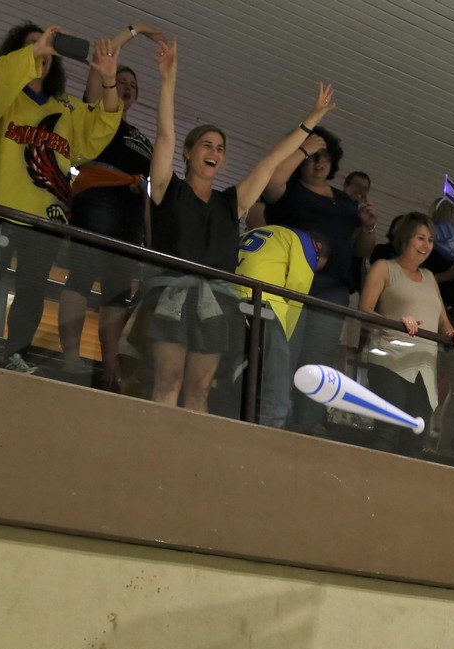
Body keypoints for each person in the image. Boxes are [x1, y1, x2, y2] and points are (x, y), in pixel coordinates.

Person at [144, 39, 333, 412]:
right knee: (168, 381)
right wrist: (168, 79)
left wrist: (311, 120)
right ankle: (156, 444)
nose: (214, 152)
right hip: (171, 294)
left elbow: (269, 162)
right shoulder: (168, 188)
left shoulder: (232, 202)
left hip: (215, 302)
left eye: (220, 148)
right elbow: (165, 136)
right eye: (206, 145)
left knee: (200, 389)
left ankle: (189, 447)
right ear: (188, 152)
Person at [0, 22, 124, 373]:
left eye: (46, 47)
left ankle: (16, 357)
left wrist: (109, 80)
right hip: (0, 209)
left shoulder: (65, 106)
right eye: (31, 44)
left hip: (45, 217)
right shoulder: (3, 94)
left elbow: (101, 128)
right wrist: (35, 50)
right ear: (17, 53)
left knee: (31, 290)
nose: (41, 50)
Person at [57, 22, 168, 389]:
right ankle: (70, 358)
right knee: (82, 273)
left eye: (133, 85)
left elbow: (151, 187)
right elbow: (101, 58)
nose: (127, 86)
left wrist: (150, 236)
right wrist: (134, 30)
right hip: (98, 198)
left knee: (118, 291)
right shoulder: (96, 114)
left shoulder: (140, 137)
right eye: (121, 80)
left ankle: (110, 367)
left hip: (131, 211)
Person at [260, 121, 377, 433]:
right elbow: (271, 181)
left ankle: (309, 421)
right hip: (291, 283)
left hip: (333, 287)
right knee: (286, 352)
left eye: (324, 156)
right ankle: (275, 418)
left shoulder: (345, 202)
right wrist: (302, 148)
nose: (319, 161)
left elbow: (361, 249)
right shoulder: (289, 190)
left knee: (319, 357)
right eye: (313, 156)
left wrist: (368, 227)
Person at [357, 212, 454, 456]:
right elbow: (364, 309)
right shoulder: (384, 267)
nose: (426, 245)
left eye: (430, 240)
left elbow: (443, 323)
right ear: (405, 238)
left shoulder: (429, 277)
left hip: (424, 369)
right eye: (420, 238)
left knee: (416, 437)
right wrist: (396, 322)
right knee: (387, 432)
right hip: (390, 360)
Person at [233, 226, 327, 428]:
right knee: (274, 392)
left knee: (233, 382)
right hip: (264, 307)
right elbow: (297, 290)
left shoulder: (257, 233)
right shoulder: (306, 244)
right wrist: (285, 338)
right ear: (318, 249)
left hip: (228, 299)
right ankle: (265, 441)